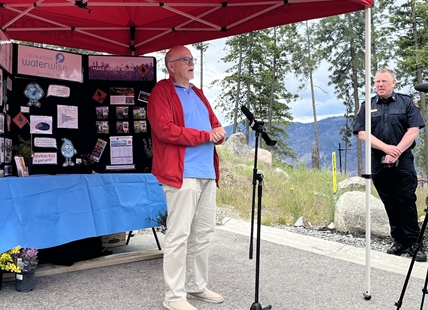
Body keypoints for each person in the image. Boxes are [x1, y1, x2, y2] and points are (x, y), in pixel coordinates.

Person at [147, 45, 227, 310]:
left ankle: (196, 286)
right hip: (181, 174)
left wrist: (219, 132)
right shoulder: (162, 92)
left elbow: (214, 124)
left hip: (206, 172)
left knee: (203, 232)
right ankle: (174, 297)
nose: (192, 63)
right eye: (186, 59)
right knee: (179, 235)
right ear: (171, 65)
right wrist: (206, 136)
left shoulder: (199, 93)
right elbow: (165, 130)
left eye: (192, 59)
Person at [353, 68, 426, 262]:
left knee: (406, 200)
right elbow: (362, 133)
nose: (380, 85)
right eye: (377, 82)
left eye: (384, 81)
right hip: (378, 160)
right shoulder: (367, 105)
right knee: (389, 201)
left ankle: (414, 243)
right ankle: (399, 241)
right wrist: (386, 149)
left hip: (403, 159)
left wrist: (397, 151)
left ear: (393, 83)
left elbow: (413, 130)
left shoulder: (406, 102)